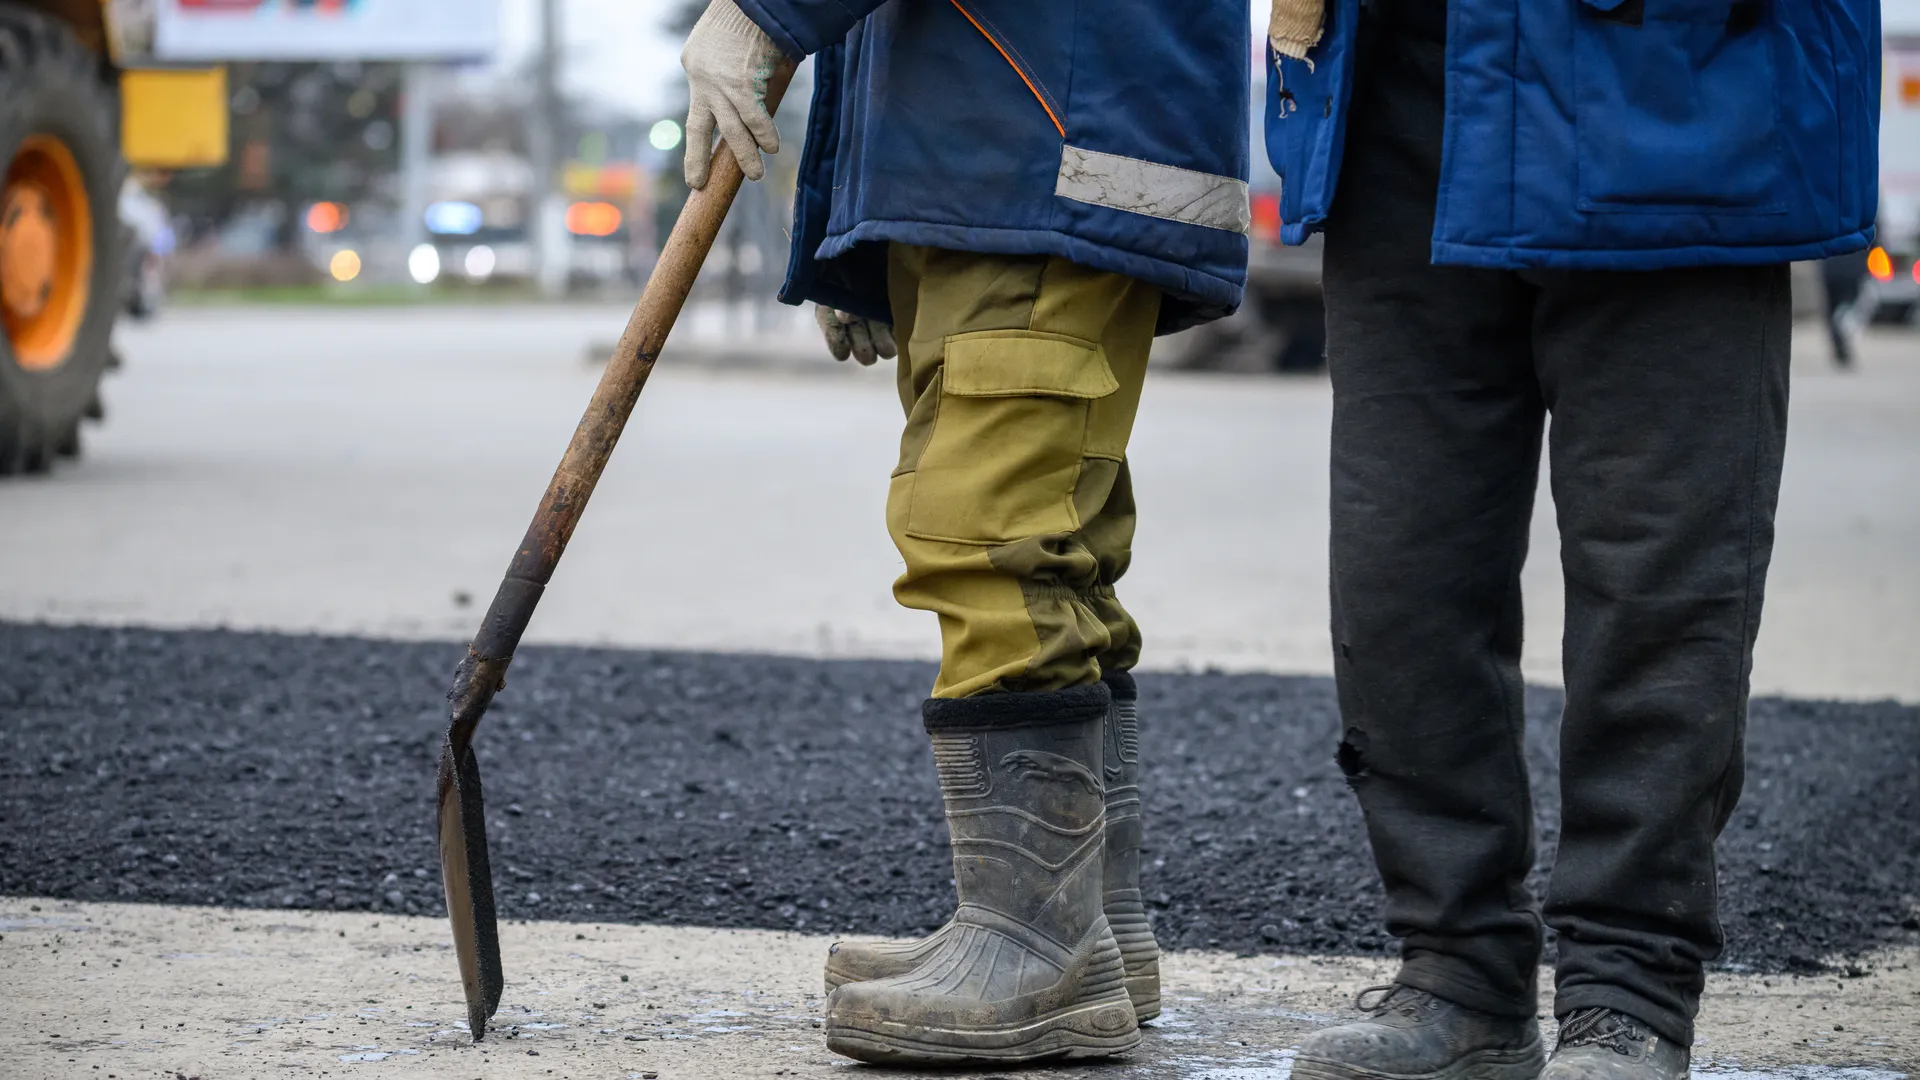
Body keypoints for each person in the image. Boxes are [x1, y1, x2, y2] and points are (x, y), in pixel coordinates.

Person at [1263, 0, 1880, 1077]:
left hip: (1683, 88)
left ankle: (1629, 987)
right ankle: (1459, 974)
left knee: (1660, 587)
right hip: (1409, 101)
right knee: (1400, 577)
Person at [677, 0, 1251, 1065]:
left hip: (1041, 135)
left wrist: (762, 12)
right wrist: (857, 224)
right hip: (1000, 146)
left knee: (993, 535)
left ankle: (1037, 940)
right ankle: (1093, 930)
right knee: (1049, 541)